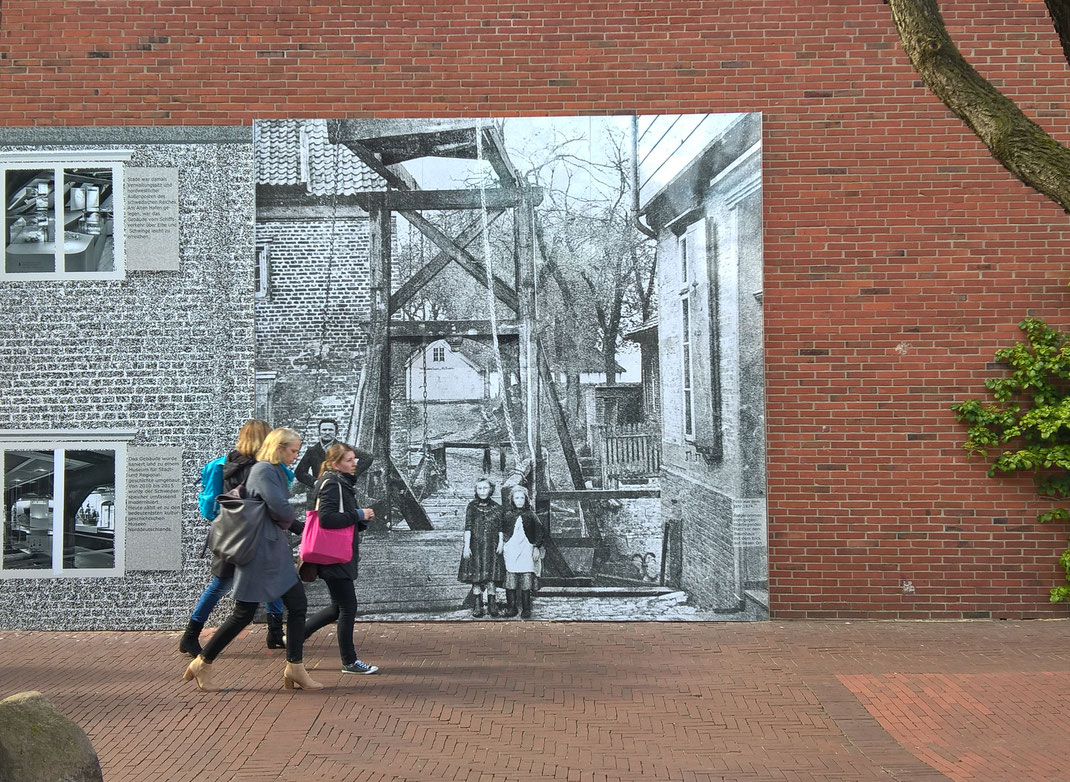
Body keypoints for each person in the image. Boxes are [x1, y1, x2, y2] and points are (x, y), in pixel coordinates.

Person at [183, 427, 323, 692]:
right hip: (262, 553)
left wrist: (294, 524)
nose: (296, 455)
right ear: (279, 447)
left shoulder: (268, 470)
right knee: (244, 613)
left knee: (295, 604)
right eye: (293, 450)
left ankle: (295, 666)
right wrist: (303, 528)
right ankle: (204, 661)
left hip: (270, 550)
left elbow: (278, 510)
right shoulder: (265, 470)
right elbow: (279, 508)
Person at [179, 419, 288, 657]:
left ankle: (190, 635)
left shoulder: (228, 464)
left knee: (221, 585)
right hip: (256, 536)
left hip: (231, 535)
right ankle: (275, 633)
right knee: (269, 582)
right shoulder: (262, 468)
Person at [302, 443, 379, 674]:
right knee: (348, 606)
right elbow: (327, 520)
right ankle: (349, 661)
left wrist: (360, 520)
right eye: (348, 460)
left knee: (338, 607)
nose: (355, 463)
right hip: (335, 556)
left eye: (354, 459)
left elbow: (339, 518)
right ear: (336, 464)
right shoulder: (334, 484)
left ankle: (296, 638)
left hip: (334, 554)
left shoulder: (336, 482)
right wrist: (358, 514)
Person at [458, 476, 504, 618]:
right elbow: (468, 527)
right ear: (476, 490)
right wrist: (467, 546)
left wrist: (501, 542)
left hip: (492, 546)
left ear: (491, 490)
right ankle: (477, 605)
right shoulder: (472, 506)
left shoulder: (497, 508)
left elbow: (500, 528)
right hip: (476, 546)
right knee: (476, 578)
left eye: (485, 488)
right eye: (480, 488)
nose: (483, 491)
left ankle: (492, 604)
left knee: (491, 577)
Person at [500, 485, 545, 620]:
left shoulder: (531, 515)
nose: (519, 501)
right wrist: (503, 543)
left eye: (522, 498)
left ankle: (526, 608)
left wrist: (536, 546)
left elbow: (539, 531)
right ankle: (512, 607)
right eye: (516, 498)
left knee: (526, 578)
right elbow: (501, 531)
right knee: (511, 578)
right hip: (511, 548)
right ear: (512, 500)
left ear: (526, 499)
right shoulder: (508, 515)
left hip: (526, 548)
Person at [294, 418, 340, 491]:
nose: (327, 432)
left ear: (336, 432)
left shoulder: (343, 448)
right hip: (320, 492)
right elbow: (299, 472)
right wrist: (315, 482)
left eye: (330, 430)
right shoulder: (312, 451)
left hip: (340, 490)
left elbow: (364, 458)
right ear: (319, 432)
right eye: (324, 430)